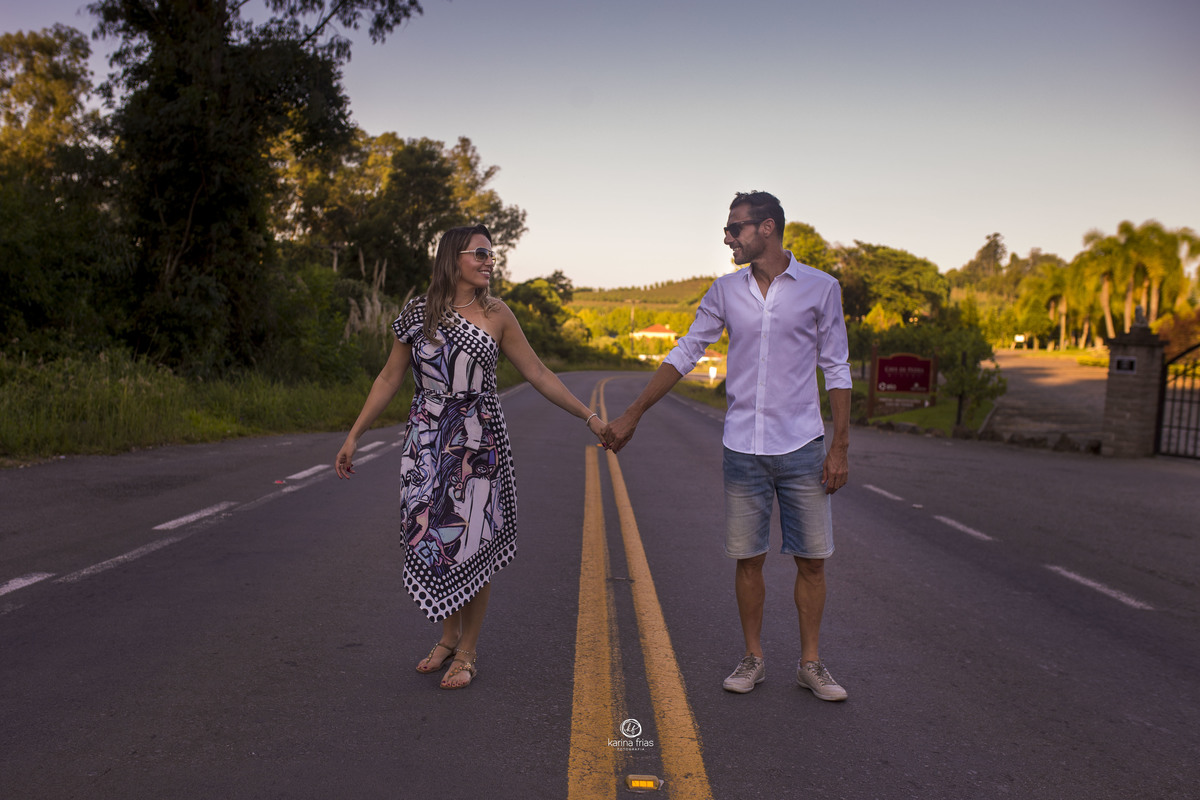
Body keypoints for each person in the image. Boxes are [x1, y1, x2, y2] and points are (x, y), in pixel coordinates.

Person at [336, 223, 610, 689]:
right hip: (425, 441)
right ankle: (446, 636)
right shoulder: (418, 314)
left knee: (473, 541)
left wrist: (590, 417)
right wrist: (354, 434)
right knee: (434, 542)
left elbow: (539, 373)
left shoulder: (497, 314)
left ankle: (467, 650)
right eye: (480, 253)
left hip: (477, 443)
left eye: (491, 255)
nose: (489, 261)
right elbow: (388, 377)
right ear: (453, 258)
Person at [607, 191, 852, 701]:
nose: (726, 237)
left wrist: (840, 447)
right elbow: (688, 350)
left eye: (734, 228)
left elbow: (837, 367)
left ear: (767, 228)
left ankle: (811, 662)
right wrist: (634, 412)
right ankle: (753, 657)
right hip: (742, 446)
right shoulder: (724, 291)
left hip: (803, 445)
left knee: (812, 560)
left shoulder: (820, 288)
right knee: (749, 558)